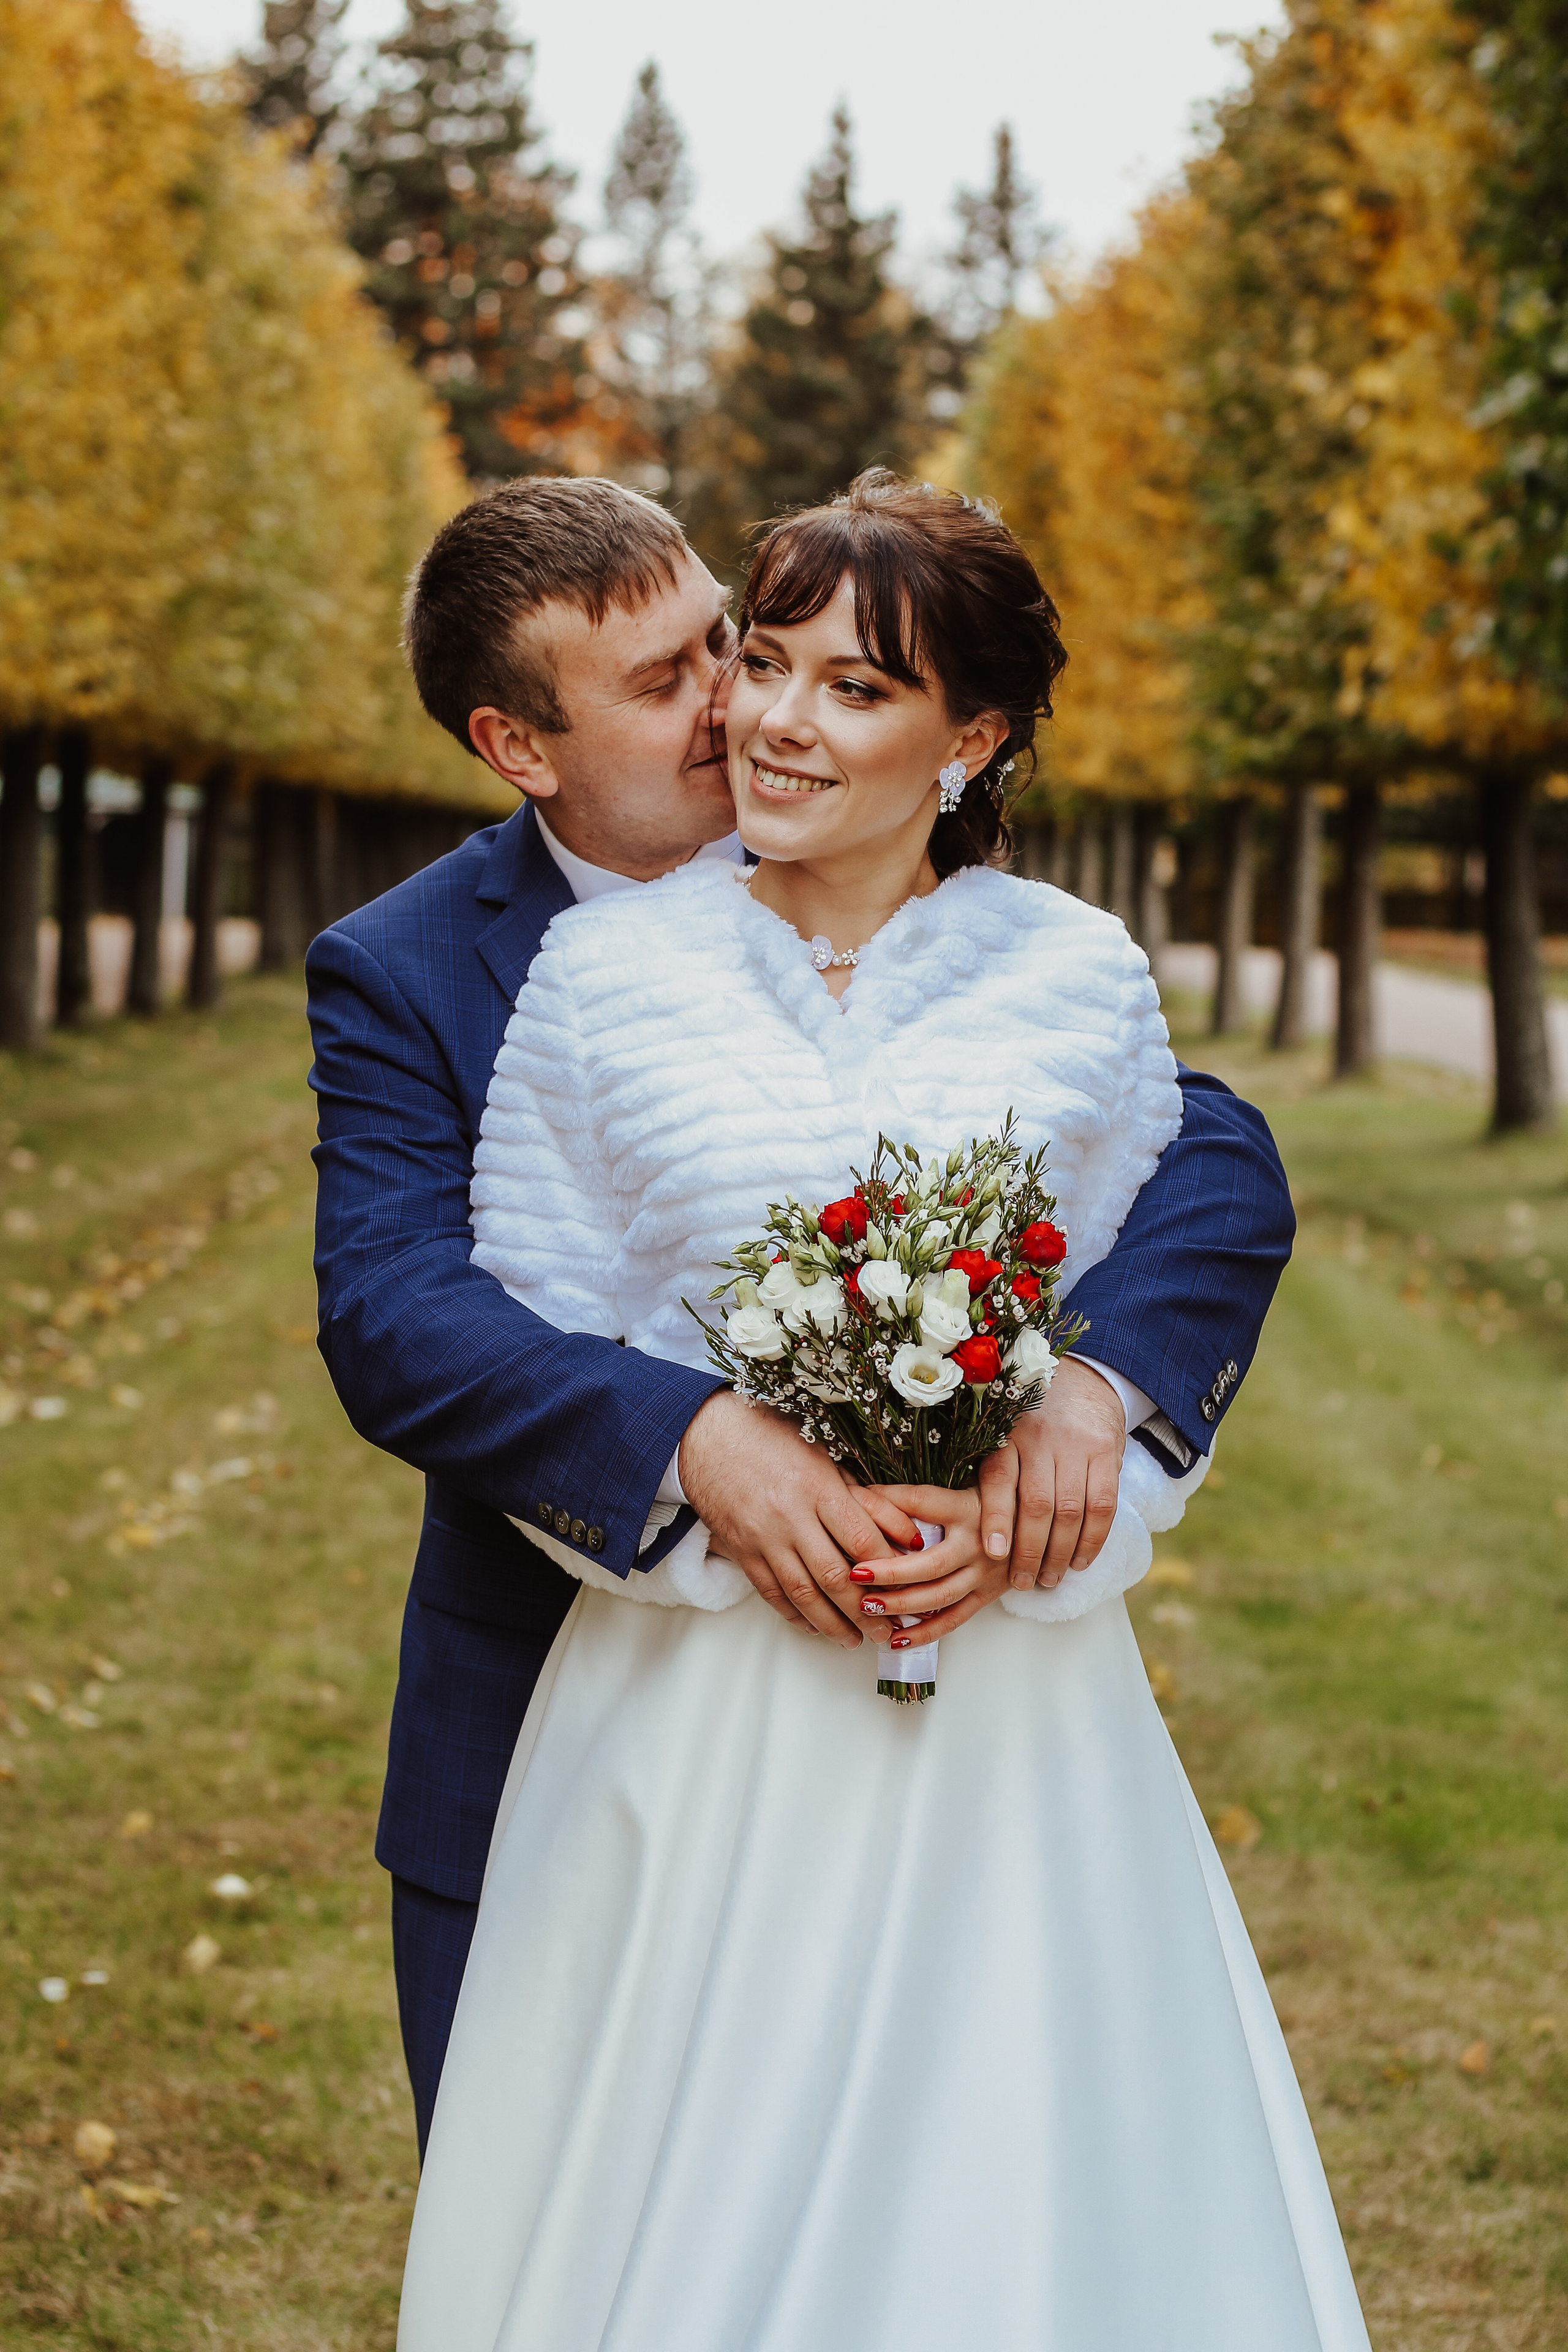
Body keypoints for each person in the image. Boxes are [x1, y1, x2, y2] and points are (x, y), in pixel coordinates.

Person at [394, 475, 1370, 2348]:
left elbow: (1172, 1199)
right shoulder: (592, 979)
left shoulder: (1073, 972)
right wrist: (721, 1498)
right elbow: (509, 1307)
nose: (761, 716)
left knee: (1014, 2181)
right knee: (689, 2200)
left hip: (1007, 1690)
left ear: (972, 737)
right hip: (699, 1701)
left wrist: (1063, 1438)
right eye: (759, 666)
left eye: (850, 688)